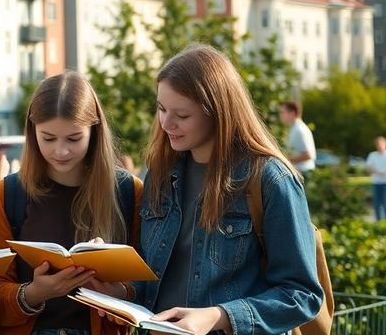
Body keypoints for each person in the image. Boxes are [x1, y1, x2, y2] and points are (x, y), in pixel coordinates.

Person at [131, 44, 322, 333]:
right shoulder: (158, 174)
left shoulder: (270, 180)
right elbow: (152, 278)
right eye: (161, 108)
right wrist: (116, 288)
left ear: (218, 112)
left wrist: (218, 316)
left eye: (182, 115)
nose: (167, 123)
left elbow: (302, 294)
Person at [0, 72, 141, 335]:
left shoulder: (128, 192)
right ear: (33, 132)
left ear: (94, 130)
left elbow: (151, 286)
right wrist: (32, 293)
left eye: (74, 138)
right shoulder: (7, 193)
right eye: (48, 138)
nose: (61, 151)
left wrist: (118, 291)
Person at [279, 100, 316, 178]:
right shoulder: (295, 128)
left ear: (292, 113)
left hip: (305, 174)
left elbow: (308, 155)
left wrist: (284, 159)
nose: (280, 115)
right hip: (302, 173)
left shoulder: (299, 130)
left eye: (283, 112)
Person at [366, 136, 386, 221]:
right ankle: (378, 223)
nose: (379, 146)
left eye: (381, 144)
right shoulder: (372, 155)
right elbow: (369, 169)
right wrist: (379, 172)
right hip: (376, 183)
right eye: (377, 144)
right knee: (377, 204)